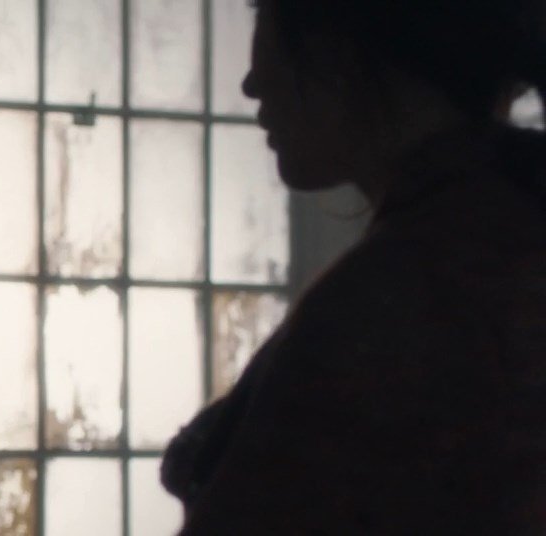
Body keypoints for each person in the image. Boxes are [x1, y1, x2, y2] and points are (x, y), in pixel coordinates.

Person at [162, 0, 546, 532]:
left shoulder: (401, 297)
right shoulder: (495, 231)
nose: (252, 83)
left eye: (267, 23)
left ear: (338, 53)